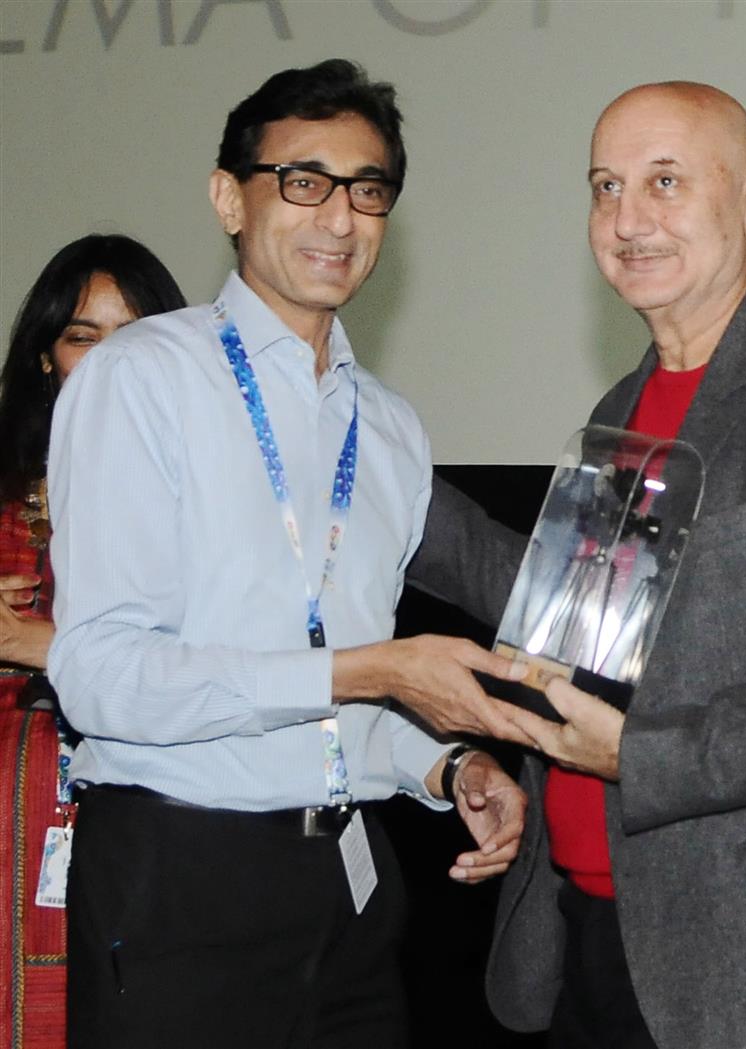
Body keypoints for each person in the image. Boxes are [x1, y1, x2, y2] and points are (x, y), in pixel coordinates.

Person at [412, 82, 746, 1049]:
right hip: (589, 939)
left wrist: (637, 757)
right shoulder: (625, 404)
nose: (627, 219)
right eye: (605, 186)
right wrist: (384, 483)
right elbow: (562, 615)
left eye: (665, 181)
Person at [46, 60, 530, 1049]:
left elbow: (341, 696)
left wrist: (445, 766)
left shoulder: (390, 429)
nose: (338, 217)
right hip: (181, 875)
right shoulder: (144, 380)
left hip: (349, 885)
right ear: (230, 196)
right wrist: (373, 668)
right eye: (302, 181)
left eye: (368, 188)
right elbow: (101, 679)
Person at [0, 234, 186, 1049]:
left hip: (158, 831)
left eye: (134, 334)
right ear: (46, 356)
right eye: (83, 335)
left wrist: (44, 642)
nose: (110, 360)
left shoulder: (213, 505)